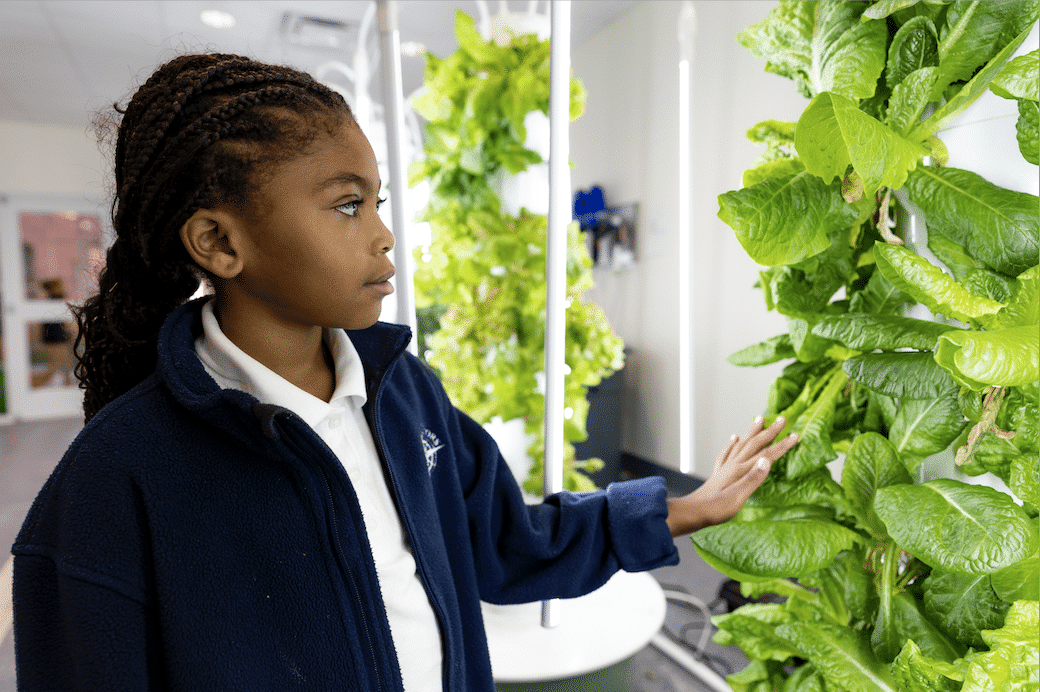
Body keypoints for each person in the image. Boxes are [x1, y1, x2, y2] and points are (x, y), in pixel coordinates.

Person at [11, 54, 797, 691]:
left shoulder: (404, 393)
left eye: (380, 202)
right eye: (348, 205)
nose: (385, 236)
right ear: (219, 242)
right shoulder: (111, 485)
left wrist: (682, 510)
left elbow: (507, 540)